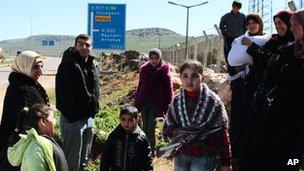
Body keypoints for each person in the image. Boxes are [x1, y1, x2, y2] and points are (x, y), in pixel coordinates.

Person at [239, 9, 304, 171]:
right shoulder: (290, 50)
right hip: (278, 113)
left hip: (299, 121)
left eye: (295, 24)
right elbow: (270, 63)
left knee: (292, 160)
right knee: (264, 154)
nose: (292, 27)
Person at [162, 60, 232, 171]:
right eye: (185, 76)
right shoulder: (176, 103)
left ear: (202, 78)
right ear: (180, 78)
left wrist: (226, 162)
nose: (189, 81)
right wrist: (178, 132)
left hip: (204, 156)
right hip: (181, 154)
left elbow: (222, 132)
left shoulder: (213, 103)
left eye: (194, 76)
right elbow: (168, 126)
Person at [56, 34, 100, 171]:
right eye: (80, 44)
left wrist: (93, 109)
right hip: (72, 120)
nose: (84, 47)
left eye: (87, 45)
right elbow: (62, 93)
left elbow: (95, 89)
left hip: (88, 118)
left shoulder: (93, 64)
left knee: (83, 160)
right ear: (76, 46)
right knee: (71, 162)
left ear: (91, 47)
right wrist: (71, 116)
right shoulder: (68, 64)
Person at [0, 50, 49, 170]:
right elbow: (23, 123)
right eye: (35, 67)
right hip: (21, 146)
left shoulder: (28, 85)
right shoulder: (22, 89)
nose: (41, 71)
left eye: (42, 66)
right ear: (23, 66)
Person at [227, 13, 264, 167]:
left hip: (255, 88)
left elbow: (264, 60)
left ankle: (246, 156)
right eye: (249, 23)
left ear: (260, 24)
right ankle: (233, 155)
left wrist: (251, 46)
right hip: (240, 87)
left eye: (254, 22)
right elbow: (231, 64)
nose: (251, 25)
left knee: (251, 121)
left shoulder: (266, 41)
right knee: (237, 119)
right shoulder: (239, 41)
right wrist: (236, 69)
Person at [134, 48, 173, 156]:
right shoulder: (144, 69)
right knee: (144, 126)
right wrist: (137, 103)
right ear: (149, 58)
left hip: (156, 103)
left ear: (160, 58)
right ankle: (145, 148)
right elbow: (140, 86)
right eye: (151, 58)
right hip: (144, 101)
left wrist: (169, 104)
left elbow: (169, 89)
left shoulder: (164, 70)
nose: (154, 60)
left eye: (156, 58)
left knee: (151, 127)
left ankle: (151, 150)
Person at [7, 104, 68, 171]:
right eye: (53, 117)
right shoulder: (35, 149)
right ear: (42, 122)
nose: (55, 121)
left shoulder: (45, 141)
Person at [100, 106, 153, 171]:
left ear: (136, 120)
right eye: (123, 119)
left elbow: (147, 159)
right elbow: (106, 157)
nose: (126, 123)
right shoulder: (114, 135)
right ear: (119, 118)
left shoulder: (141, 137)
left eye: (130, 120)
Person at [219, 0, 247, 75]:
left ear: (239, 8)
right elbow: (221, 25)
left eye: (238, 8)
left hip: (239, 38)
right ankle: (230, 71)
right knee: (229, 54)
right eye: (235, 7)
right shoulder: (226, 16)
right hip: (229, 38)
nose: (236, 9)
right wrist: (224, 34)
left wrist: (242, 33)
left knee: (240, 53)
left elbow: (245, 26)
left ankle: (240, 71)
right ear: (232, 7)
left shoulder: (243, 16)